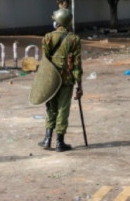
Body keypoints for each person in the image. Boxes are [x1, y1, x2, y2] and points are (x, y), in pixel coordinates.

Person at [38, 8, 82, 152]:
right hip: (67, 80)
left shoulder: (47, 37)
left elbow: (44, 62)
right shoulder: (74, 39)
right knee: (63, 109)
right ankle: (59, 142)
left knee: (51, 108)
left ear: (58, 21)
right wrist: (79, 84)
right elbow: (76, 64)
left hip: (51, 79)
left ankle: (47, 139)